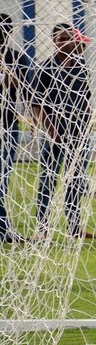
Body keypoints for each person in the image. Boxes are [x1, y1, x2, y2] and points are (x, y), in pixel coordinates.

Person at [30, 23, 96, 239]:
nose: (66, 42)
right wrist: (51, 131)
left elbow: (86, 98)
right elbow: (36, 105)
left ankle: (74, 227)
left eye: (69, 38)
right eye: (61, 39)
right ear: (54, 41)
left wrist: (86, 124)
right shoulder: (45, 68)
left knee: (76, 180)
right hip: (53, 133)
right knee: (48, 178)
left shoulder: (80, 66)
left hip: (77, 133)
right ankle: (42, 227)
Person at [0, 14, 28, 243]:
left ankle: (2, 226)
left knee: (3, 176)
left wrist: (6, 70)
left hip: (7, 123)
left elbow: (22, 88)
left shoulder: (15, 57)